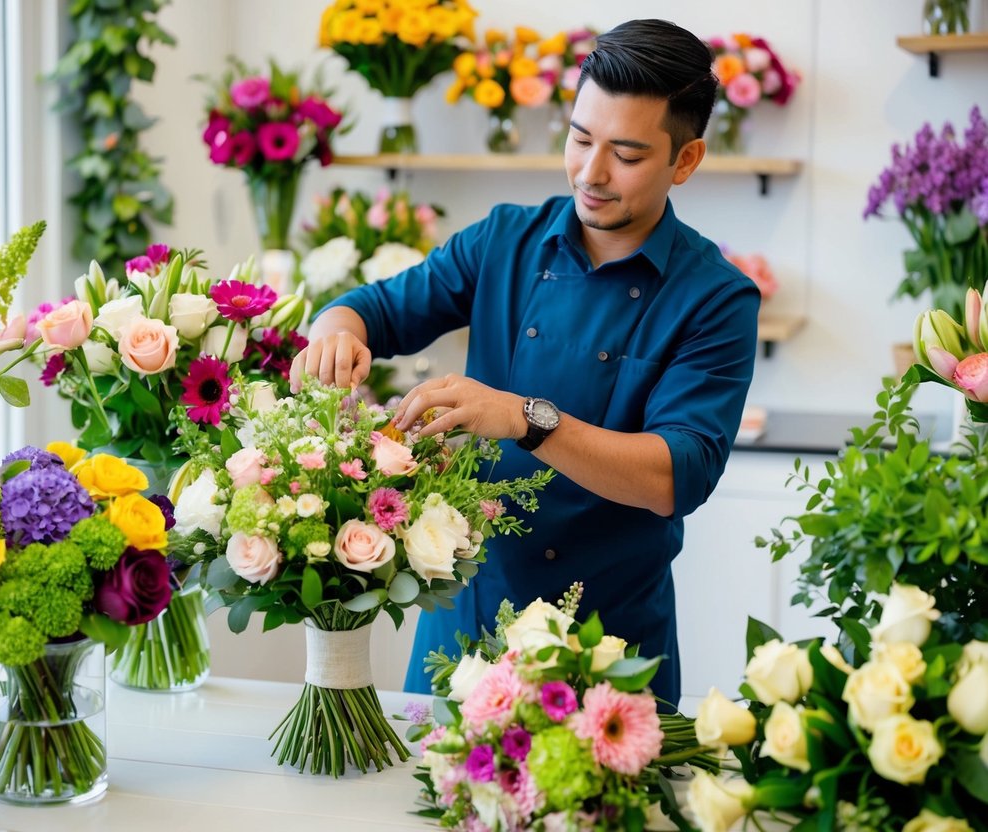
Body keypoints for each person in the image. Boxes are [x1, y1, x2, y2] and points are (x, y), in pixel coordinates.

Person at [290, 18, 760, 706]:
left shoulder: (714, 296)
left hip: (606, 648)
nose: (591, 174)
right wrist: (336, 326)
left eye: (626, 155)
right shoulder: (506, 239)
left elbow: (676, 475)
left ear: (683, 162)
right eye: (578, 139)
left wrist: (523, 418)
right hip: (464, 622)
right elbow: (377, 310)